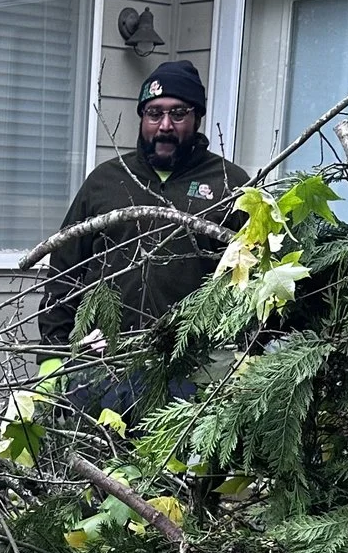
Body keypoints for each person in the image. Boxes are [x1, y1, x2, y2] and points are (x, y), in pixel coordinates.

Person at [39, 60, 250, 346]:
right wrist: (53, 355)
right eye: (154, 113)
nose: (164, 125)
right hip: (101, 359)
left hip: (193, 365)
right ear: (142, 118)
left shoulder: (230, 184)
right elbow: (64, 273)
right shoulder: (105, 181)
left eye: (178, 113)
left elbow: (253, 280)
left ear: (197, 117)